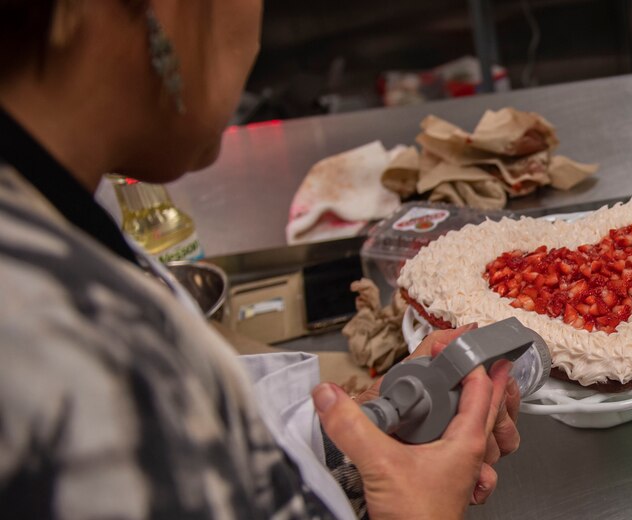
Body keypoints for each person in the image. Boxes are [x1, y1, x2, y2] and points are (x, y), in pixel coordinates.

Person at [0, 1, 521, 518]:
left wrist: (356, 436)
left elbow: (204, 462)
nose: (251, 34)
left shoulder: (50, 223)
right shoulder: (50, 340)